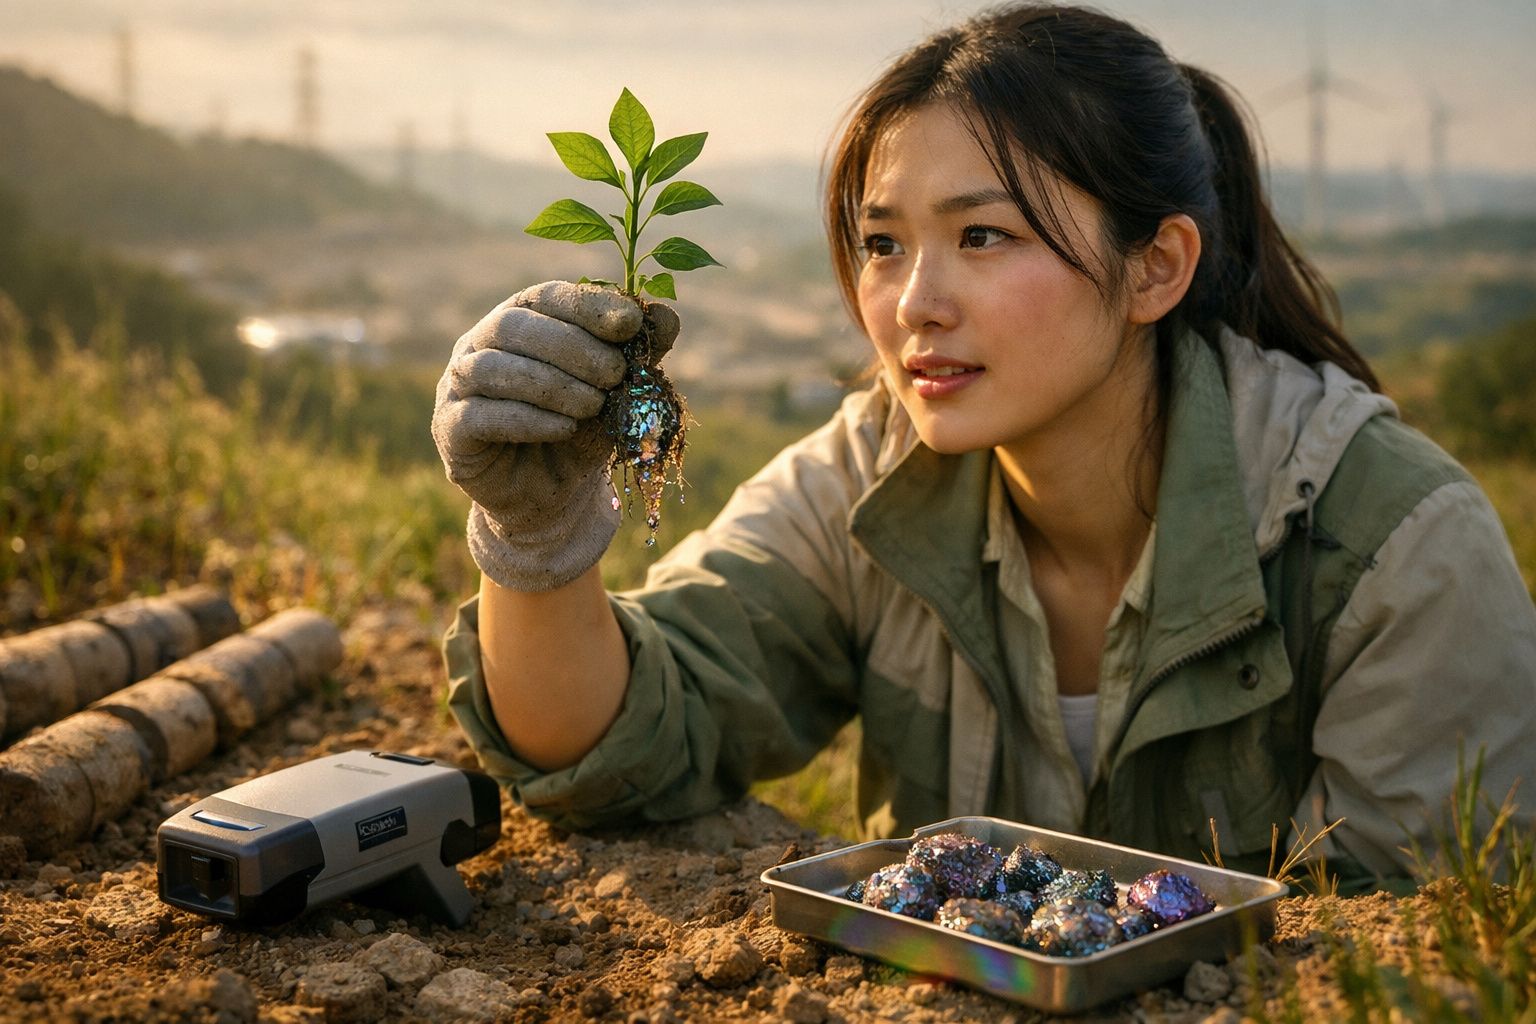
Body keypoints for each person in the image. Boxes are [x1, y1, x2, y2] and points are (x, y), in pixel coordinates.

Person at [430, 3, 1536, 890]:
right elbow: (614, 743)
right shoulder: (871, 473)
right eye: (881, 243)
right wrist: (538, 533)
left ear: (1156, 268)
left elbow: (1410, 950)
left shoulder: (1399, 550)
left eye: (983, 235)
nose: (916, 302)